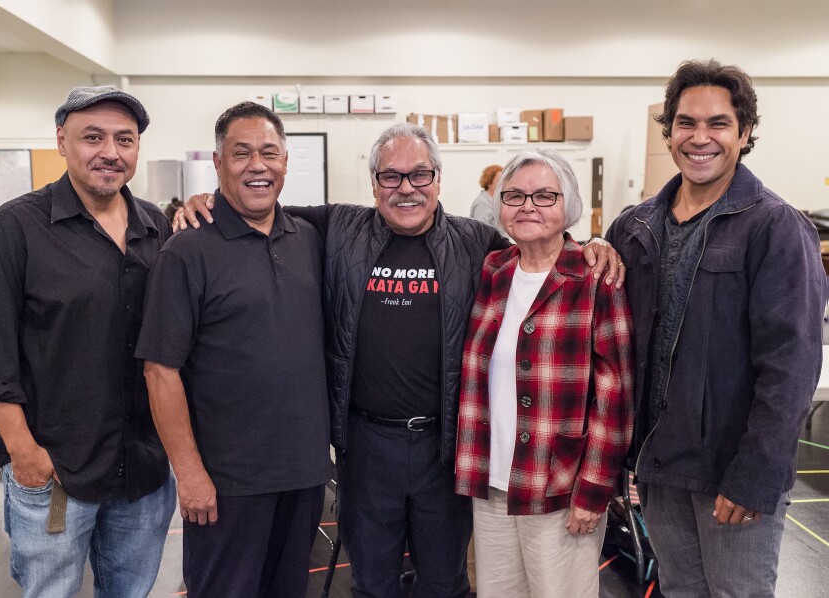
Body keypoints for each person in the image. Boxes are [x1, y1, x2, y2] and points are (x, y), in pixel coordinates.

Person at [177, 122, 625, 597]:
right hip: (366, 445)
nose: (406, 188)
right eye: (391, 177)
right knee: (371, 581)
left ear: (438, 179)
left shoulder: (478, 245)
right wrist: (207, 200)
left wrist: (594, 245)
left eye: (420, 175)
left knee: (444, 581)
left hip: (446, 446)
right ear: (373, 184)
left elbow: (543, 244)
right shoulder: (337, 228)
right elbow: (260, 207)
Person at [605, 59, 826, 597]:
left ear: (744, 133)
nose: (700, 137)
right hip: (660, 464)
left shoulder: (774, 227)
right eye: (686, 123)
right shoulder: (634, 227)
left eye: (718, 123)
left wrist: (756, 473)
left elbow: (791, 365)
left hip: (730, 468)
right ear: (670, 130)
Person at [0, 86, 175, 597]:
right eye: (92, 137)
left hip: (142, 469)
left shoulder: (155, 227)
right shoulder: (16, 228)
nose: (110, 152)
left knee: (132, 591)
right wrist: (24, 452)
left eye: (124, 139)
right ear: (61, 141)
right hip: (56, 470)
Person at [136, 101, 330, 597]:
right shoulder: (186, 251)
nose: (257, 165)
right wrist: (190, 473)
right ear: (218, 163)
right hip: (226, 483)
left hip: (304, 475)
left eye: (269, 152)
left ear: (286, 162)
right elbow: (160, 371)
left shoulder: (309, 239)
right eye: (241, 153)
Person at [455, 149, 634, 597]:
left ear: (568, 205)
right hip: (493, 481)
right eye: (514, 195)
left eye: (544, 195)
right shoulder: (493, 270)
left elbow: (615, 396)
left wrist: (593, 492)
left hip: (559, 485)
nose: (527, 206)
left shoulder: (595, 279)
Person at [470, 164, 504, 234]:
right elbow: (480, 232)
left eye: (503, 180)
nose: (502, 184)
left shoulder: (497, 200)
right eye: (498, 180)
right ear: (489, 182)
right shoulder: (482, 202)